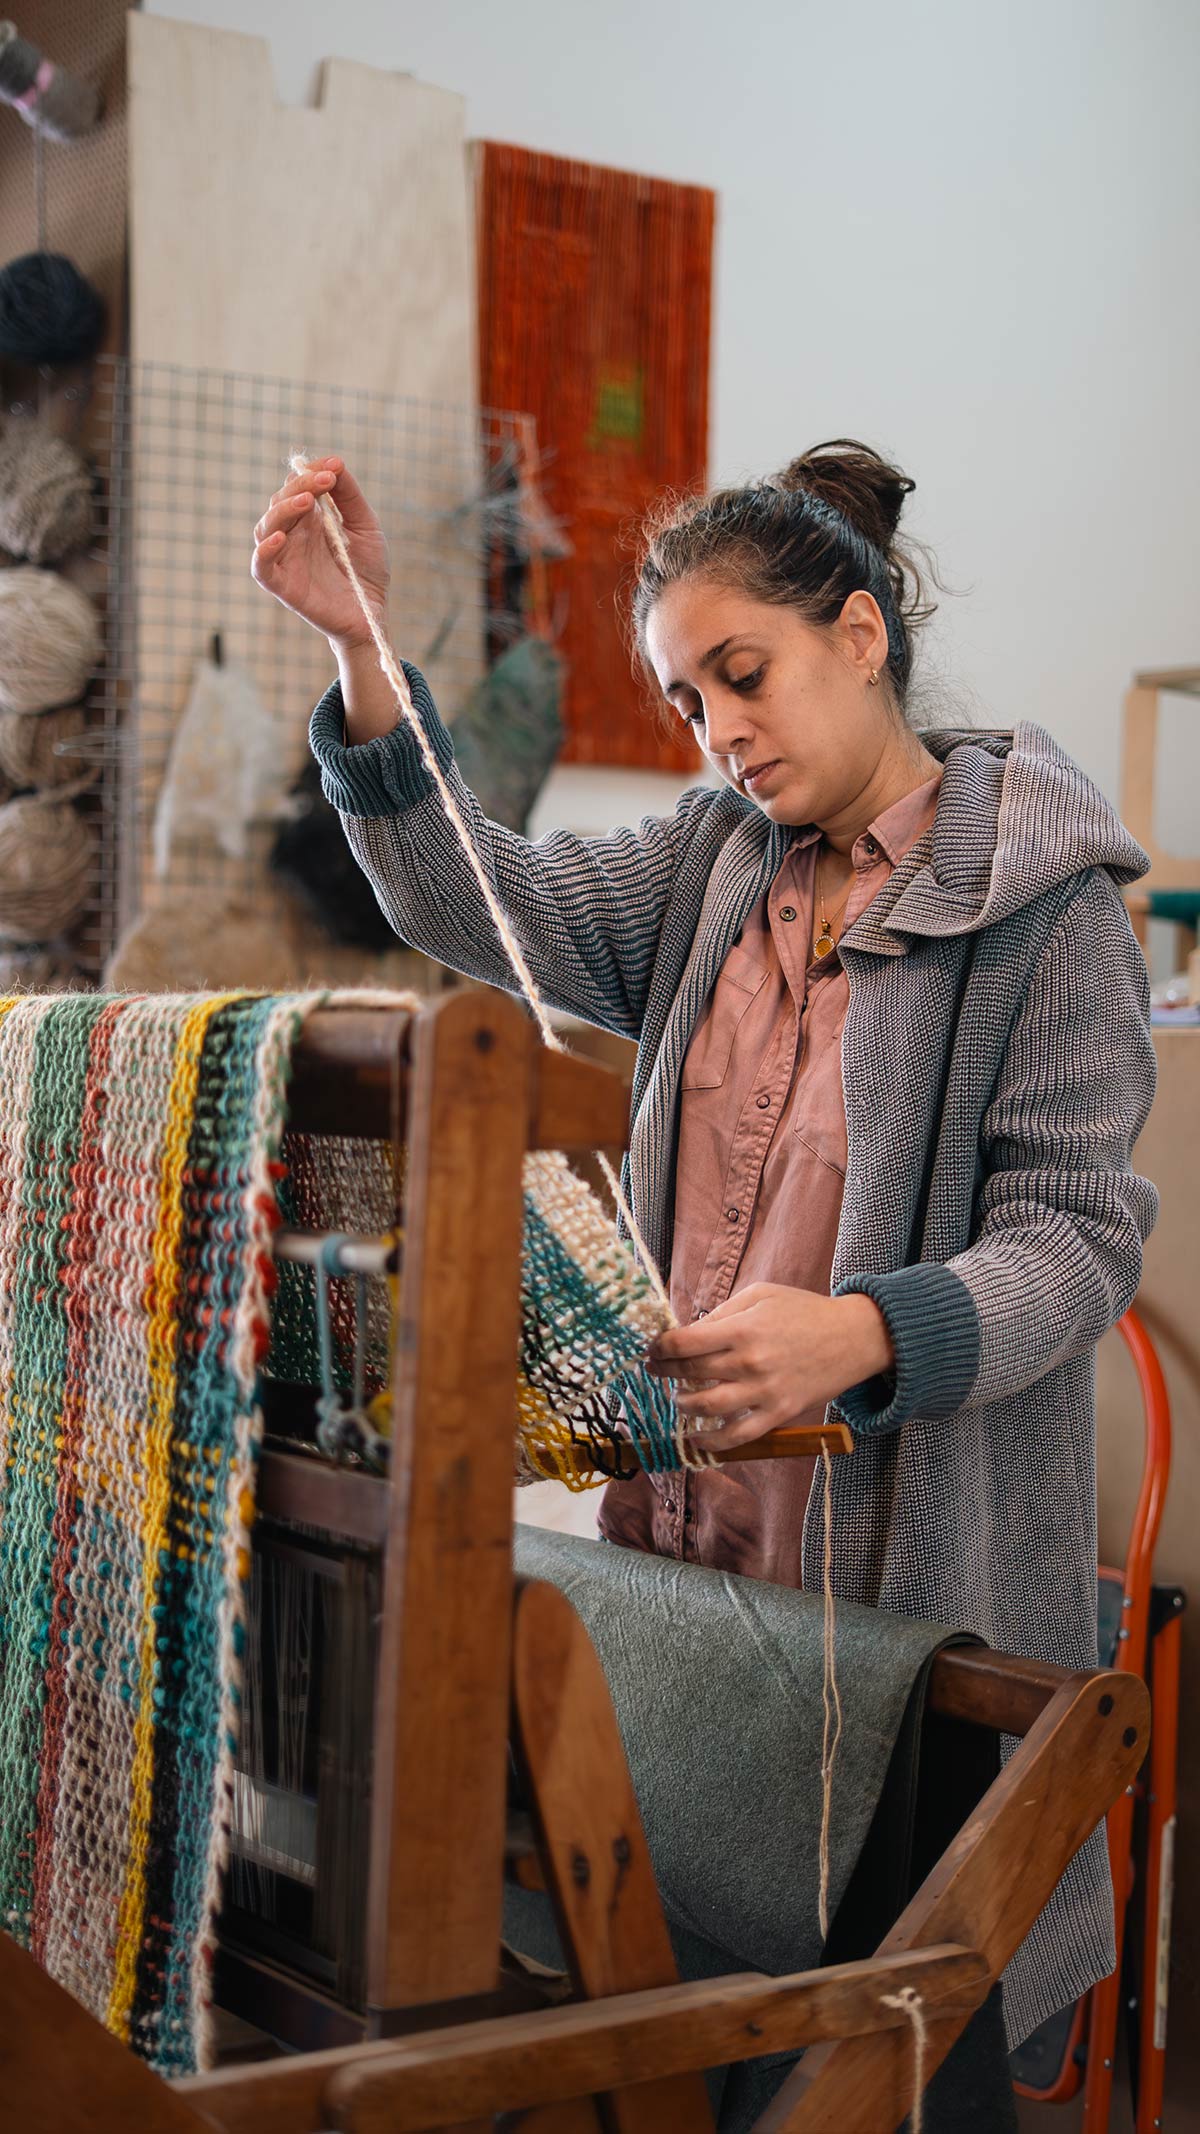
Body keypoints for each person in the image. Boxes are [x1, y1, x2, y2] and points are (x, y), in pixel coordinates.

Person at [252, 440, 1156, 2084]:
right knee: (698, 2029)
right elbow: (480, 894)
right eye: (685, 705)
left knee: (884, 2058)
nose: (719, 731)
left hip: (906, 1612)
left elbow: (1079, 1239)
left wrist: (865, 1334)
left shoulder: (1045, 911)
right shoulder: (712, 870)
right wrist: (360, 649)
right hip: (686, 1570)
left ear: (863, 636)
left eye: (742, 676)